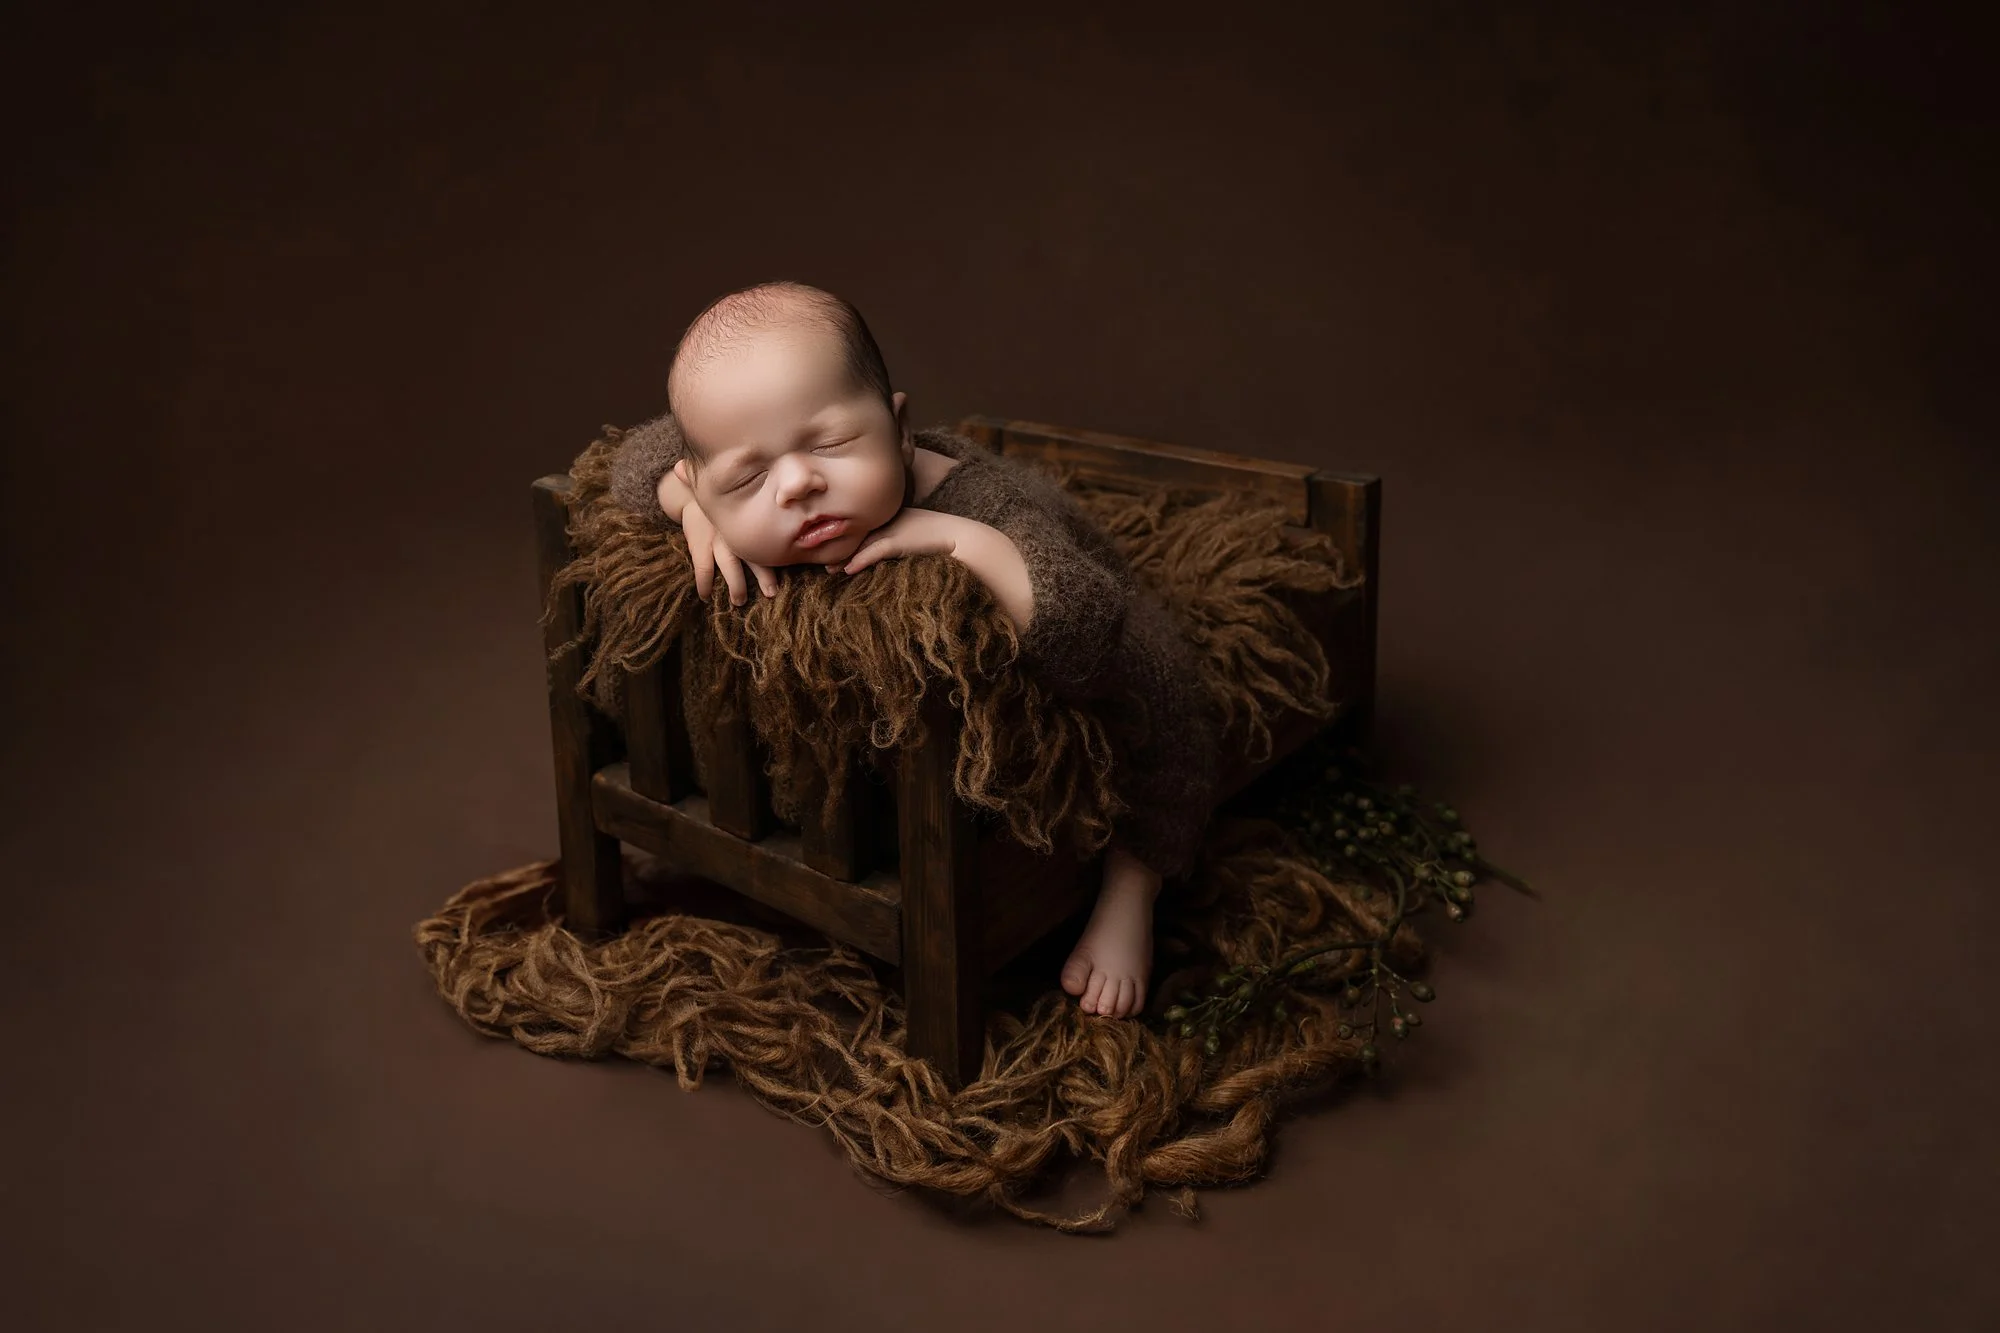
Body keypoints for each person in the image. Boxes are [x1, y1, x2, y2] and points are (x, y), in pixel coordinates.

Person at [605, 280, 1222, 1020]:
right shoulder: (710, 486)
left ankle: (1134, 884)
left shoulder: (989, 505)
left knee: (1162, 683)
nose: (798, 482)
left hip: (1082, 596)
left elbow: (1091, 630)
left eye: (830, 442)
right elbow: (633, 459)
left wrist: (972, 545)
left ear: (899, 430)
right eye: (748, 474)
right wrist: (691, 507)